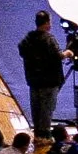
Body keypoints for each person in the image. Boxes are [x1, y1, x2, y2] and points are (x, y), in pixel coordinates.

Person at [19, 11, 68, 142]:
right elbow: (59, 56)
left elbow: (22, 51)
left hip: (33, 79)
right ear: (47, 23)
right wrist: (68, 53)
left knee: (36, 107)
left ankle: (37, 133)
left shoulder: (27, 39)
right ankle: (45, 135)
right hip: (49, 80)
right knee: (47, 108)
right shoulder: (49, 39)